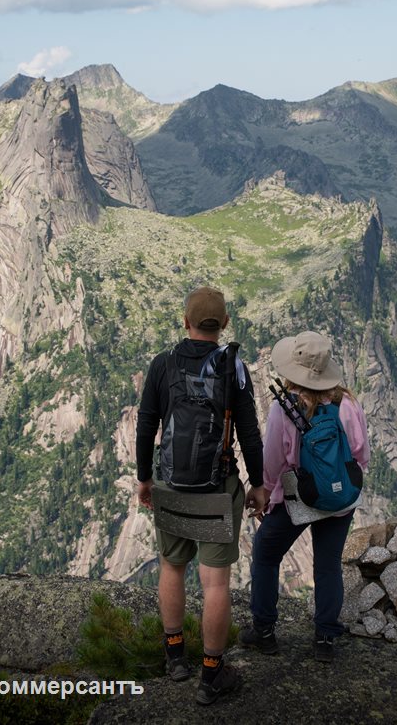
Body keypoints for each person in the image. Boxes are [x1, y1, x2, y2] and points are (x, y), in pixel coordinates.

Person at [135, 287, 269, 705]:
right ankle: (212, 675)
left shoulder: (163, 365)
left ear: (185, 321)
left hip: (172, 486)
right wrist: (258, 483)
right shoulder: (235, 368)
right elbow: (249, 433)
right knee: (215, 585)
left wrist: (145, 479)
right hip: (216, 489)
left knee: (172, 568)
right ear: (224, 324)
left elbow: (145, 427)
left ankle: (175, 656)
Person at [241, 330, 370, 663]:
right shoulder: (348, 403)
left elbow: (273, 462)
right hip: (342, 499)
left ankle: (265, 631)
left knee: (266, 553)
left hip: (301, 498)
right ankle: (325, 638)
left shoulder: (284, 409)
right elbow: (360, 454)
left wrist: (267, 495)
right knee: (328, 565)